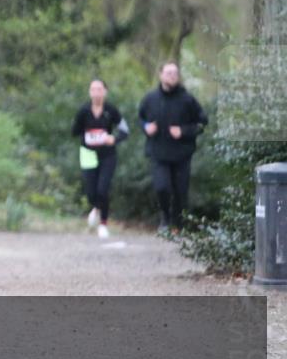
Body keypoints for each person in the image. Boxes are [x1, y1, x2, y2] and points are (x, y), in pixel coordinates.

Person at [137, 62, 208, 233]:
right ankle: (165, 217)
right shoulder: (150, 98)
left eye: (175, 73)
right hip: (158, 152)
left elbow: (202, 123)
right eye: (168, 73)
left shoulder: (188, 100)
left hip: (182, 154)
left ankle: (179, 224)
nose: (172, 76)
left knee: (180, 191)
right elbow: (141, 118)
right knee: (162, 187)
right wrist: (146, 127)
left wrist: (183, 131)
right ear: (161, 74)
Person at [71, 79, 129, 239]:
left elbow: (125, 130)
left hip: (107, 155)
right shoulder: (83, 111)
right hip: (88, 153)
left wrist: (114, 139)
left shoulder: (111, 110)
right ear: (90, 92)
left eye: (99, 89)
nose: (96, 93)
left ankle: (103, 224)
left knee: (102, 189)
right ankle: (95, 208)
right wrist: (88, 134)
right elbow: (74, 131)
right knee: (91, 192)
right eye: (93, 89)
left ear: (105, 91)